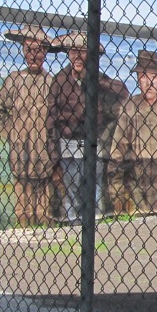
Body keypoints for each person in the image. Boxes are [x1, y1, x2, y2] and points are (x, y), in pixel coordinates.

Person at [47, 31, 128, 224]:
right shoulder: (59, 81)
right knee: (72, 190)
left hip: (93, 143)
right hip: (68, 144)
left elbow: (120, 95)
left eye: (82, 51)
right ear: (68, 53)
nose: (77, 56)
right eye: (73, 51)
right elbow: (51, 119)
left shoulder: (99, 79)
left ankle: (95, 227)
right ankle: (74, 228)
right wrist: (53, 154)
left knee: (95, 188)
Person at [0, 25, 58, 227]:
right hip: (20, 152)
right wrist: (11, 133)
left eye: (37, 50)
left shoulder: (51, 83)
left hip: (44, 154)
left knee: (44, 209)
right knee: (22, 206)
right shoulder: (13, 80)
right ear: (23, 51)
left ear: (45, 52)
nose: (33, 55)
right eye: (28, 49)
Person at [109, 50, 157, 215]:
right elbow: (117, 152)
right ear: (138, 79)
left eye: (154, 76)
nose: (149, 82)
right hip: (135, 186)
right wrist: (117, 193)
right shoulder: (130, 108)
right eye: (144, 76)